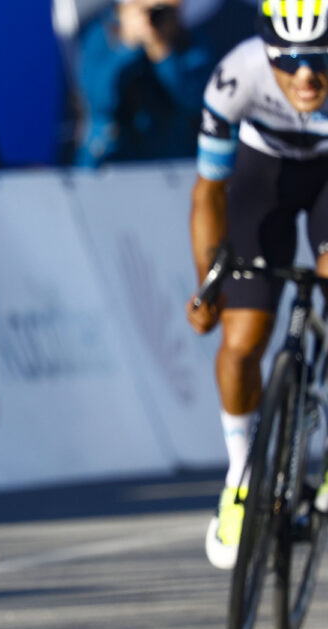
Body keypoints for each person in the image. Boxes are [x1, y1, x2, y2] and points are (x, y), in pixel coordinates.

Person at [186, 0, 328, 568]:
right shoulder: (236, 75)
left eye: (319, 58)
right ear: (267, 53)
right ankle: (241, 476)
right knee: (242, 342)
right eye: (288, 60)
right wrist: (207, 285)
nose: (305, 75)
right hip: (261, 177)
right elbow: (208, 194)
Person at [75, 0, 214, 166]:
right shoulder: (101, 35)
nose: (151, 18)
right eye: (144, 10)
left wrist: (163, 51)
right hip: (107, 160)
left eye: (159, 10)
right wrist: (126, 46)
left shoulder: (189, 40)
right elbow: (98, 101)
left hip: (168, 163)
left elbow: (193, 100)